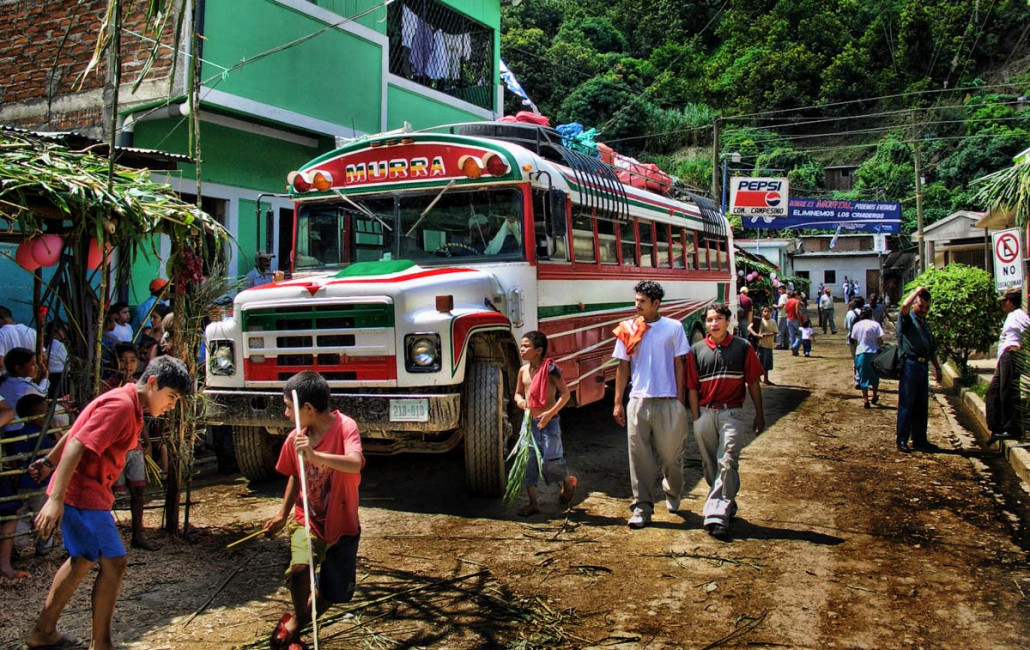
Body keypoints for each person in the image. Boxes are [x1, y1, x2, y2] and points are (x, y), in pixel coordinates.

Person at [24, 356, 188, 650]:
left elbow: (77, 429)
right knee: (114, 562)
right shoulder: (121, 407)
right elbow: (77, 443)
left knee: (83, 559)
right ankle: (102, 643)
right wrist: (55, 499)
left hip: (88, 493)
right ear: (152, 384)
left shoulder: (127, 403)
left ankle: (43, 632)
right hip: (82, 493)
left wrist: (49, 462)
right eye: (171, 397)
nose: (171, 406)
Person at [263, 371, 363, 650]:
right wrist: (283, 515)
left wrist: (316, 456)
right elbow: (295, 474)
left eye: (287, 406)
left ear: (307, 409)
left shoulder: (346, 427)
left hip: (343, 525)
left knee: (334, 592)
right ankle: (296, 627)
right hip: (306, 519)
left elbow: (355, 463)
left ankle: (294, 624)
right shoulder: (296, 437)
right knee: (299, 572)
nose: (285, 413)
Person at [612, 281, 689, 529]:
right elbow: (622, 367)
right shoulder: (627, 329)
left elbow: (680, 365)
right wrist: (618, 402)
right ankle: (642, 506)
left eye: (642, 302)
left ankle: (673, 489)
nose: (637, 305)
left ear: (656, 304)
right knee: (639, 458)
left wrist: (680, 402)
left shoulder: (674, 328)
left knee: (671, 457)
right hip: (638, 400)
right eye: (636, 300)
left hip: (668, 401)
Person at [685, 304, 765, 541]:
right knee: (711, 465)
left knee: (727, 460)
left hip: (732, 413)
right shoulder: (696, 350)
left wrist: (759, 414)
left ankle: (716, 516)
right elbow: (691, 386)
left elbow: (753, 382)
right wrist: (695, 417)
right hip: (704, 414)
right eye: (709, 320)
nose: (713, 324)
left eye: (719, 319)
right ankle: (726, 502)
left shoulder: (743, 347)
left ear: (728, 321)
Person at [512, 331, 576, 516]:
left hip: (549, 423)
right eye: (521, 345)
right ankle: (533, 503)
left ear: (538, 350)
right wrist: (520, 401)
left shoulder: (551, 370)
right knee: (528, 463)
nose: (522, 349)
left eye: (526, 346)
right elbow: (517, 393)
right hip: (530, 424)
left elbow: (565, 394)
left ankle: (568, 483)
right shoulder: (522, 371)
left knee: (552, 461)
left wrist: (550, 413)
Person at [895, 286, 943, 454]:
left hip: (923, 366)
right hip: (910, 365)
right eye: (921, 306)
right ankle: (902, 439)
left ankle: (920, 439)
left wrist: (937, 367)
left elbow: (931, 348)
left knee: (922, 405)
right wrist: (917, 291)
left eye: (927, 307)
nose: (924, 310)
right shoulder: (908, 319)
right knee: (907, 404)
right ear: (915, 304)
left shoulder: (925, 323)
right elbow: (904, 306)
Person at [986, 288, 1030, 446]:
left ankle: (1012, 428)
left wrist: (1021, 348)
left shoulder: (1018, 315)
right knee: (993, 391)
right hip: (1004, 358)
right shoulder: (1011, 316)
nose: (1003, 305)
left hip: (1011, 356)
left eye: (1004, 302)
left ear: (1010, 302)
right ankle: (997, 427)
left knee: (1008, 391)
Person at [0, 347, 48, 433]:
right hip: (19, 428)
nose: (36, 367)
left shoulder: (6, 381)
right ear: (18, 368)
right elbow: (42, 392)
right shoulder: (24, 387)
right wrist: (45, 379)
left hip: (6, 428)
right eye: (32, 364)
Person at [850, 306, 884, 409]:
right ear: (871, 315)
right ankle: (874, 395)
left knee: (862, 376)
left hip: (861, 352)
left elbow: (854, 340)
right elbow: (880, 340)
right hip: (874, 352)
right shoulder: (875, 324)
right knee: (875, 376)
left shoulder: (857, 325)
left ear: (861, 314)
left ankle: (865, 399)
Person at [747, 305, 777, 385]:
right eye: (765, 311)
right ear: (762, 312)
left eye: (768, 311)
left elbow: (775, 332)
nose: (766, 313)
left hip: (769, 345)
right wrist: (756, 335)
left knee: (767, 365)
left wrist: (766, 334)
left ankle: (766, 379)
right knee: (760, 363)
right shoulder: (758, 321)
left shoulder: (773, 321)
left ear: (771, 313)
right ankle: (758, 379)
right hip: (761, 345)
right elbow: (749, 328)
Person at [0, 305, 37, 370]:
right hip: (32, 377)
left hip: (9, 378)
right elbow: (43, 357)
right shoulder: (32, 332)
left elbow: (0, 363)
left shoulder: (1, 333)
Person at [45, 321, 68, 399]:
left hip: (56, 378)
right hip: (58, 379)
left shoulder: (52, 344)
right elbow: (67, 362)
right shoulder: (56, 344)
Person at [785, 291, 802, 356]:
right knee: (801, 335)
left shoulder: (788, 301)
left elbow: (785, 310)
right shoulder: (796, 301)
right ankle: (795, 346)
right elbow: (797, 312)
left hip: (788, 319)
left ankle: (794, 351)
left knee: (792, 335)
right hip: (795, 319)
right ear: (796, 295)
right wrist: (800, 320)